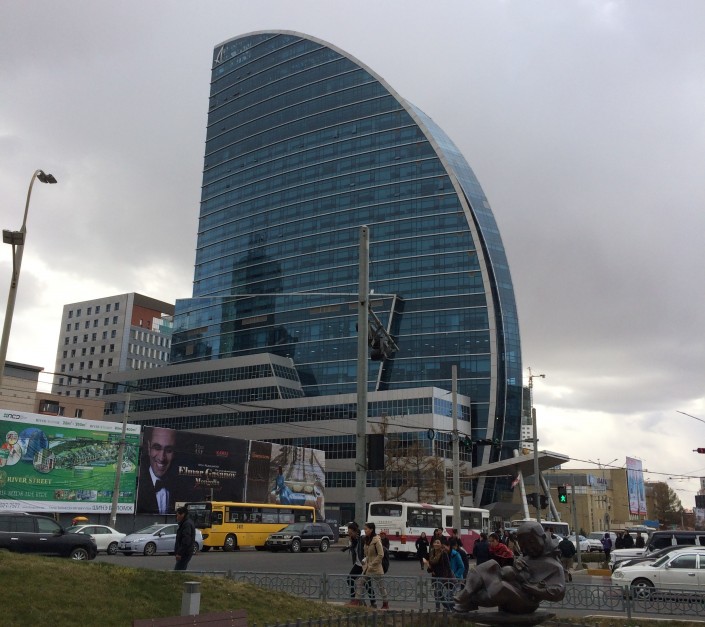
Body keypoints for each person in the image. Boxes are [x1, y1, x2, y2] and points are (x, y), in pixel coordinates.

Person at [454, 521, 566, 615]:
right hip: (516, 588)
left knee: (503, 587)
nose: (529, 548)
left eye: (532, 542)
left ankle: (472, 601)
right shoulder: (526, 557)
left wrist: (534, 589)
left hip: (527, 603)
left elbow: (559, 592)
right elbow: (513, 572)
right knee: (491, 564)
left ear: (542, 537)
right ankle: (467, 591)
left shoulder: (554, 566)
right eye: (524, 545)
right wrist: (516, 567)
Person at [138, 427, 178, 515]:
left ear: (174, 453)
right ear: (149, 448)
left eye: (169, 450)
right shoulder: (137, 485)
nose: (161, 458)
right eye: (157, 448)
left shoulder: (182, 487)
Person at [352, 522, 389, 610]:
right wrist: (365, 560)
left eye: (366, 529)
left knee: (381, 587)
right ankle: (356, 601)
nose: (365, 530)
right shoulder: (367, 539)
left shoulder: (377, 540)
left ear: (371, 530)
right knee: (360, 582)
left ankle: (385, 604)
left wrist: (373, 563)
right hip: (367, 567)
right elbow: (367, 554)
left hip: (376, 568)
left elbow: (381, 555)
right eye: (364, 529)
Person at [343, 522, 376, 608]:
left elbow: (367, 548)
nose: (349, 535)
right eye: (348, 533)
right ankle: (354, 600)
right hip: (358, 564)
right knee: (350, 579)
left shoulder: (362, 538)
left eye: (350, 533)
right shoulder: (354, 539)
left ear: (355, 531)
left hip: (364, 563)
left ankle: (373, 603)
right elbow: (354, 549)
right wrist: (348, 546)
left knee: (367, 583)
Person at [425, 537, 454, 611]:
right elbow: (431, 566)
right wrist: (429, 568)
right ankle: (448, 607)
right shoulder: (432, 553)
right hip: (435, 576)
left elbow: (448, 566)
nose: (436, 544)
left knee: (437, 592)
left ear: (441, 545)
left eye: (438, 543)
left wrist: (447, 577)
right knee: (439, 593)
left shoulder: (443, 553)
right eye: (435, 543)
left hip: (442, 576)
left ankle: (438, 608)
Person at [174, 506, 196, 571]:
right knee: (180, 570)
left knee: (178, 571)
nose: (176, 517)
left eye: (177, 515)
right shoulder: (186, 523)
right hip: (185, 552)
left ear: (182, 514)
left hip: (184, 553)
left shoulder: (186, 524)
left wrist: (180, 553)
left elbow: (186, 540)